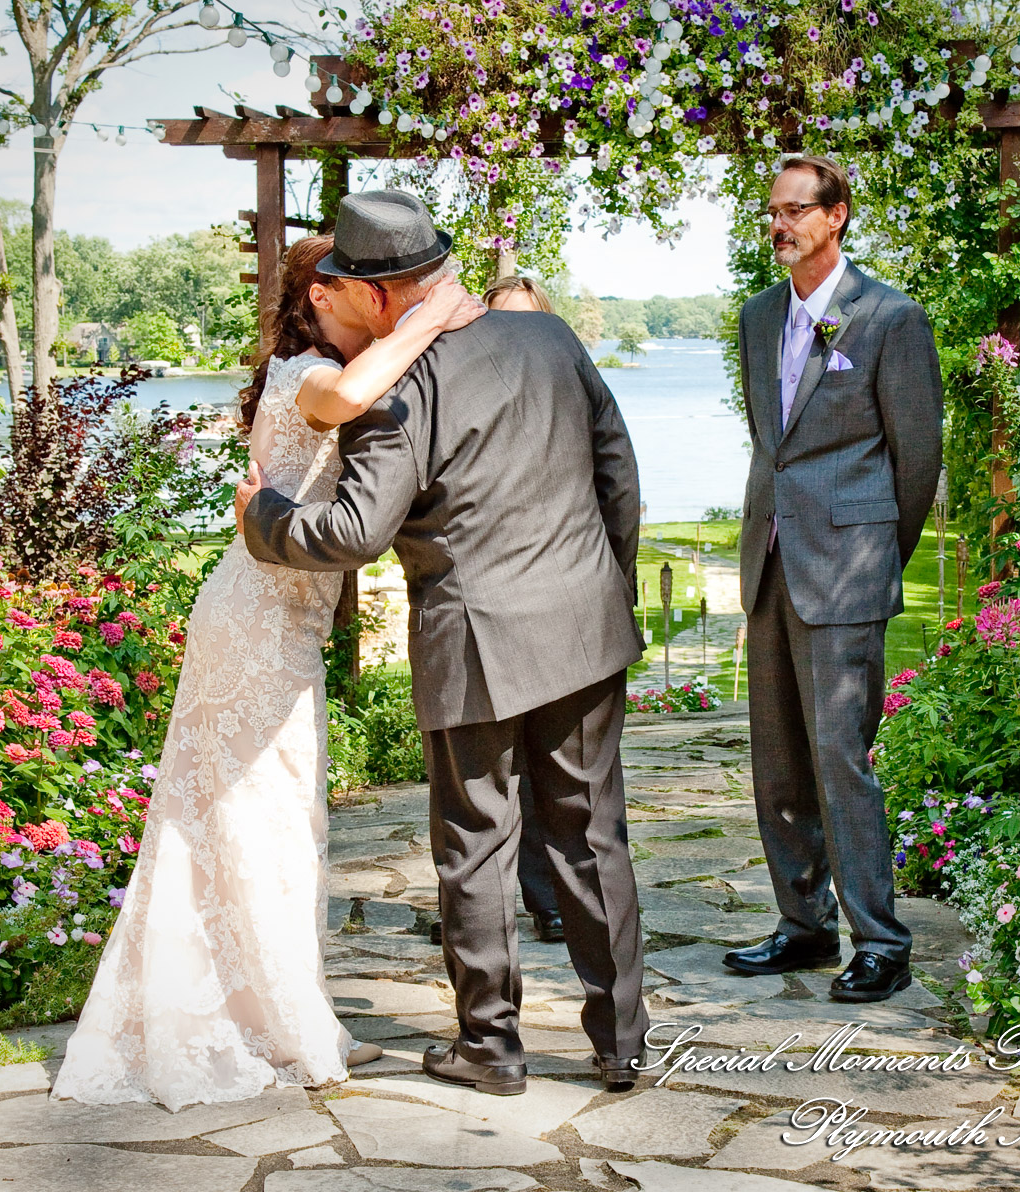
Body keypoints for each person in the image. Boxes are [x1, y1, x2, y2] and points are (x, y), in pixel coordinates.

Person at [51, 234, 485, 1111]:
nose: (379, 301)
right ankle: (279, 1028)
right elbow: (354, 396)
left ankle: (270, 1014)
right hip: (254, 627)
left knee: (262, 823)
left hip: (273, 621)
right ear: (322, 296)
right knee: (266, 822)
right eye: (361, 287)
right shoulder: (307, 377)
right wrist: (436, 313)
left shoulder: (317, 371)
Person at [236, 190, 649, 1097]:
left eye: (343, 286)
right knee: (593, 836)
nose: (338, 302)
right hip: (585, 626)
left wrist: (263, 515)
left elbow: (353, 533)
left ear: (378, 295)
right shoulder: (552, 338)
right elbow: (618, 476)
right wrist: (604, 587)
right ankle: (621, 1043)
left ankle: (491, 1048)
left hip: (474, 638)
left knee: (477, 843)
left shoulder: (394, 387)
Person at [722, 155, 943, 1003]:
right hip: (771, 560)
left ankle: (881, 942)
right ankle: (803, 925)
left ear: (836, 214)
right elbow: (771, 445)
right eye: (772, 212)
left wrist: (875, 552)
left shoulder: (890, 317)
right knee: (778, 757)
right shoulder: (758, 316)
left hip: (847, 569)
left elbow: (916, 460)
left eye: (795, 210)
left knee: (841, 757)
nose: (779, 225)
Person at [424, 273, 564, 950]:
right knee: (479, 782)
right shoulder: (458, 392)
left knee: (545, 771)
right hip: (479, 606)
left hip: (553, 602)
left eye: (526, 321)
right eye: (499, 318)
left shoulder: (565, 391)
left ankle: (549, 900)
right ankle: (477, 908)